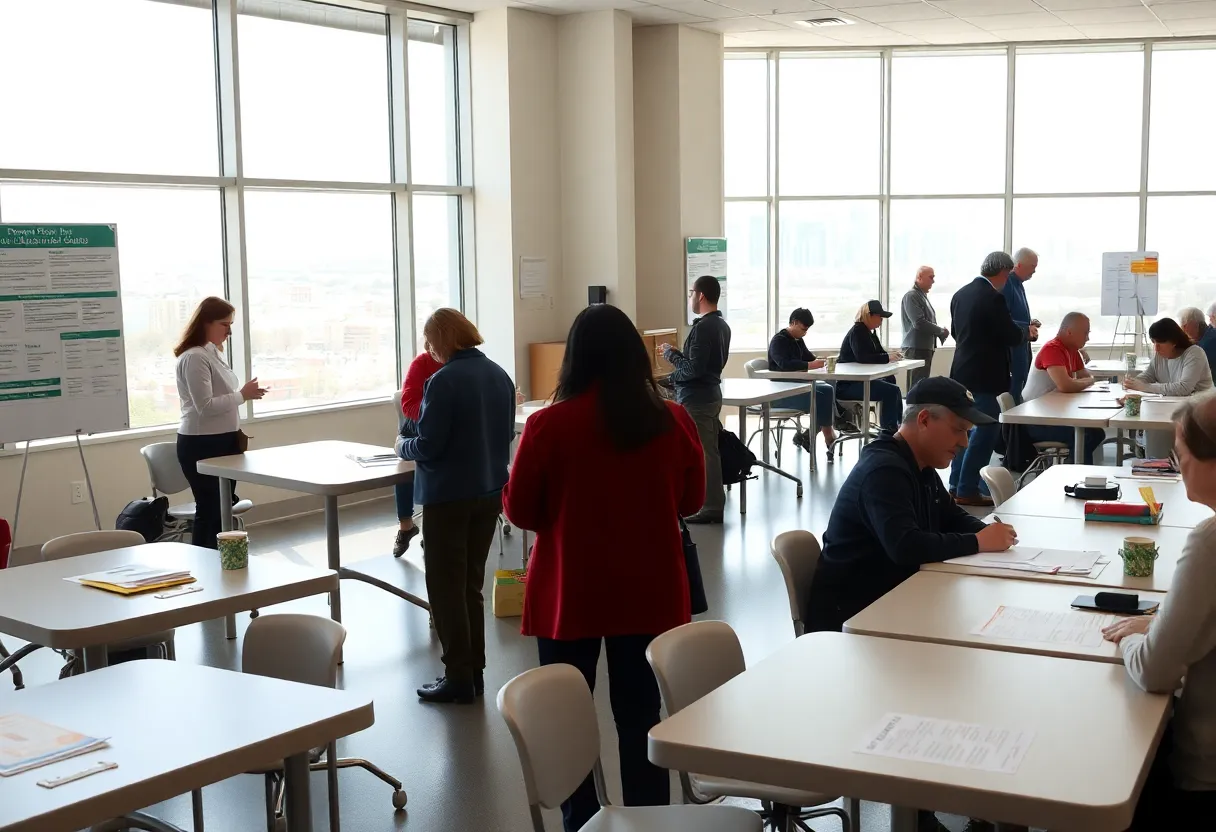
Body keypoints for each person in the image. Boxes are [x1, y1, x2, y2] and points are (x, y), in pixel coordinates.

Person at [503, 304, 704, 832]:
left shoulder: (548, 425)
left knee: (567, 715)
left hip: (572, 593)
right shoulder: (672, 418)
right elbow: (692, 500)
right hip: (650, 589)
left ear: (575, 359)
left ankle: (583, 822)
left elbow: (521, 512)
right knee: (640, 714)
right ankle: (647, 819)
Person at [805, 377, 1016, 634]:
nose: (964, 442)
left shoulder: (919, 464)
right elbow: (906, 546)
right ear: (924, 420)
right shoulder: (884, 470)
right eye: (959, 429)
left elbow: (950, 516)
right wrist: (979, 542)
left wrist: (989, 533)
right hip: (853, 621)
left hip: (893, 601)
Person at [1103, 394, 1216, 829]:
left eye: (1180, 450)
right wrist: (1164, 621)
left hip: (1205, 772)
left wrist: (1132, 636)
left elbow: (1154, 671)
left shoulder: (1210, 542)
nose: (1178, 460)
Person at [396, 309, 515, 704]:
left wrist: (401, 445)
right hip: (488, 494)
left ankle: (457, 674)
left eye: (430, 342)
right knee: (470, 586)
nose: (429, 350)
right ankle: (473, 669)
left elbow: (428, 445)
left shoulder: (443, 381)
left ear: (444, 339)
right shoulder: (499, 375)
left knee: (445, 589)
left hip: (448, 496)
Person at [174, 297, 267, 550]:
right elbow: (204, 407)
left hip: (224, 441)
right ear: (206, 323)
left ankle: (223, 562)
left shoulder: (212, 352)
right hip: (202, 442)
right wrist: (242, 396)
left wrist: (244, 395)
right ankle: (206, 563)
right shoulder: (194, 357)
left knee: (223, 508)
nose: (229, 331)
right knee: (210, 509)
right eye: (225, 325)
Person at [949, 252, 1036, 507]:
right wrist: (1026, 333)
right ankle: (967, 489)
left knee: (963, 430)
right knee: (986, 431)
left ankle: (956, 484)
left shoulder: (960, 294)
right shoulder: (993, 298)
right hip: (986, 375)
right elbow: (1009, 335)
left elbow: (957, 333)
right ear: (1003, 272)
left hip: (961, 372)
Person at [660, 275, 730, 524]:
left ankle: (709, 505)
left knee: (703, 452)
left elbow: (693, 370)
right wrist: (677, 356)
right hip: (710, 394)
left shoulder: (703, 327)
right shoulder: (722, 325)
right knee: (708, 450)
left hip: (697, 398)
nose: (690, 298)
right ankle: (711, 502)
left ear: (700, 296)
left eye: (691, 293)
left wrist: (671, 362)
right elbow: (700, 365)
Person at [1122, 317, 1215, 459]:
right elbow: (1148, 376)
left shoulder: (1194, 353)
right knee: (1154, 428)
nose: (1156, 347)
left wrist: (1145, 387)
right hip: (1170, 407)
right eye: (1153, 342)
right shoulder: (1160, 356)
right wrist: (1132, 383)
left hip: (1199, 412)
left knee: (1176, 447)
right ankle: (1155, 462)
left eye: (1160, 342)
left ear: (1174, 341)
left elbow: (1184, 388)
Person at [1020, 312, 1105, 464]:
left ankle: (1072, 468)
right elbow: (1065, 385)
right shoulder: (1052, 349)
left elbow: (1082, 377)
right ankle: (1074, 478)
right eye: (1085, 333)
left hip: (1053, 415)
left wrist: (1085, 381)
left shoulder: (1073, 351)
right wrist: (1088, 381)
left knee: (1096, 432)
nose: (1088, 338)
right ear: (1069, 332)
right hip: (1036, 422)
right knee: (1088, 435)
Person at [390, 350, 442, 556]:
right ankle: (406, 525)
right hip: (422, 422)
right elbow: (409, 404)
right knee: (407, 462)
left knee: (425, 457)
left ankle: (432, 529)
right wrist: (434, 410)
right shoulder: (423, 363)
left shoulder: (464, 364)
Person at [767, 307, 837, 455]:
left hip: (797, 387)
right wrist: (810, 365)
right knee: (823, 397)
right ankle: (827, 434)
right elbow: (784, 364)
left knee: (829, 388)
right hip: (781, 393)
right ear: (794, 322)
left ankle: (811, 435)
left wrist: (822, 361)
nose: (805, 332)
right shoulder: (778, 341)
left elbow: (809, 358)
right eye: (803, 328)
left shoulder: (798, 341)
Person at [836, 301, 904, 434]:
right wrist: (887, 357)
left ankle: (897, 425)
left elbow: (879, 353)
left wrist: (891, 355)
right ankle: (890, 432)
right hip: (848, 386)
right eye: (880, 317)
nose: (882, 320)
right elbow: (863, 357)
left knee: (890, 380)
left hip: (861, 381)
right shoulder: (858, 332)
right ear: (869, 315)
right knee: (891, 391)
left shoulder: (869, 333)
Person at [1001, 247, 1041, 404]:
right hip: (1012, 351)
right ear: (1018, 265)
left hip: (1022, 347)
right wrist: (1026, 328)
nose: (1034, 271)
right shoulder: (1007, 284)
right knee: (1013, 395)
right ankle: (1012, 428)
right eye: (1032, 266)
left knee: (1020, 390)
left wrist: (1029, 324)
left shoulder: (1019, 284)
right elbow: (1002, 318)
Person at [900, 266, 948, 389]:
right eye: (931, 277)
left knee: (921, 386)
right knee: (916, 387)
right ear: (919, 277)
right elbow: (919, 322)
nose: (933, 281)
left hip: (923, 348)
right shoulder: (912, 296)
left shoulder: (921, 296)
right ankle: (914, 408)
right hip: (916, 349)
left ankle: (918, 408)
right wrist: (940, 331)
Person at [1180, 306, 1216, 371]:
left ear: (1195, 323)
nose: (1183, 328)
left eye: (1185, 325)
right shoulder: (1208, 334)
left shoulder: (1209, 342)